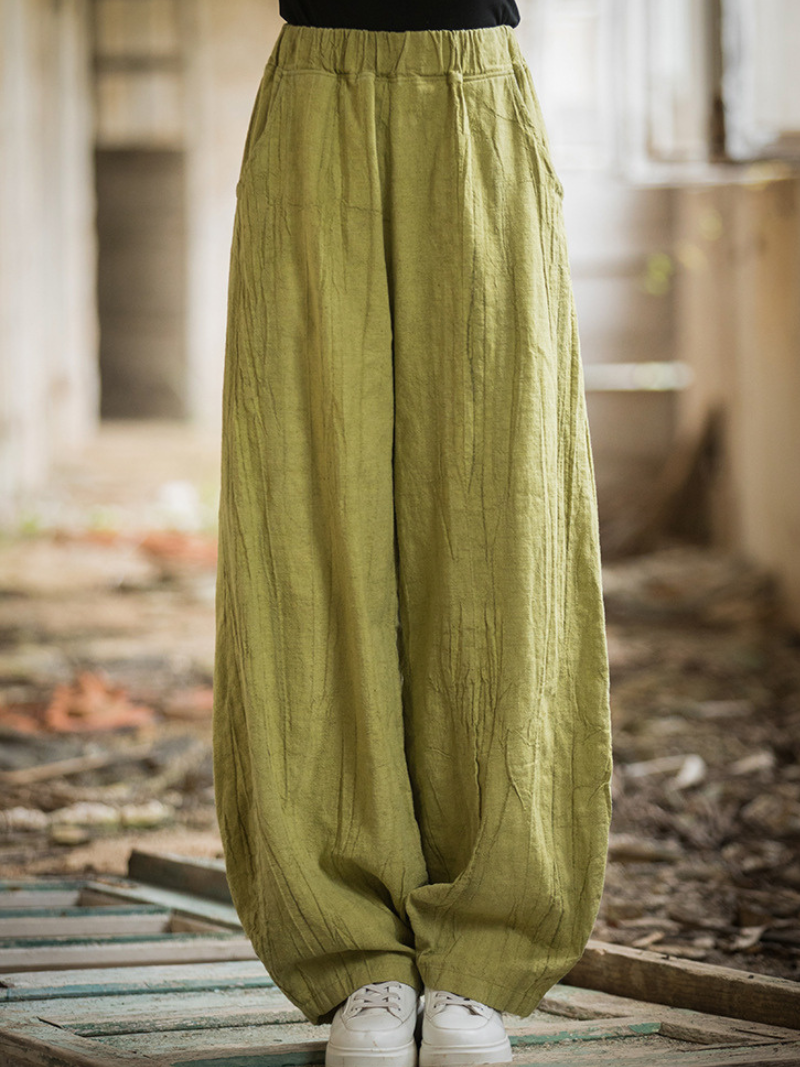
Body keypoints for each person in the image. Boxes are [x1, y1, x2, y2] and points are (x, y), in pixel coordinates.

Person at [212, 0, 614, 1064]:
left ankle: (480, 956)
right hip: (313, 87)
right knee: (305, 511)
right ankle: (358, 958)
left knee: (501, 517)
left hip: (474, 91)